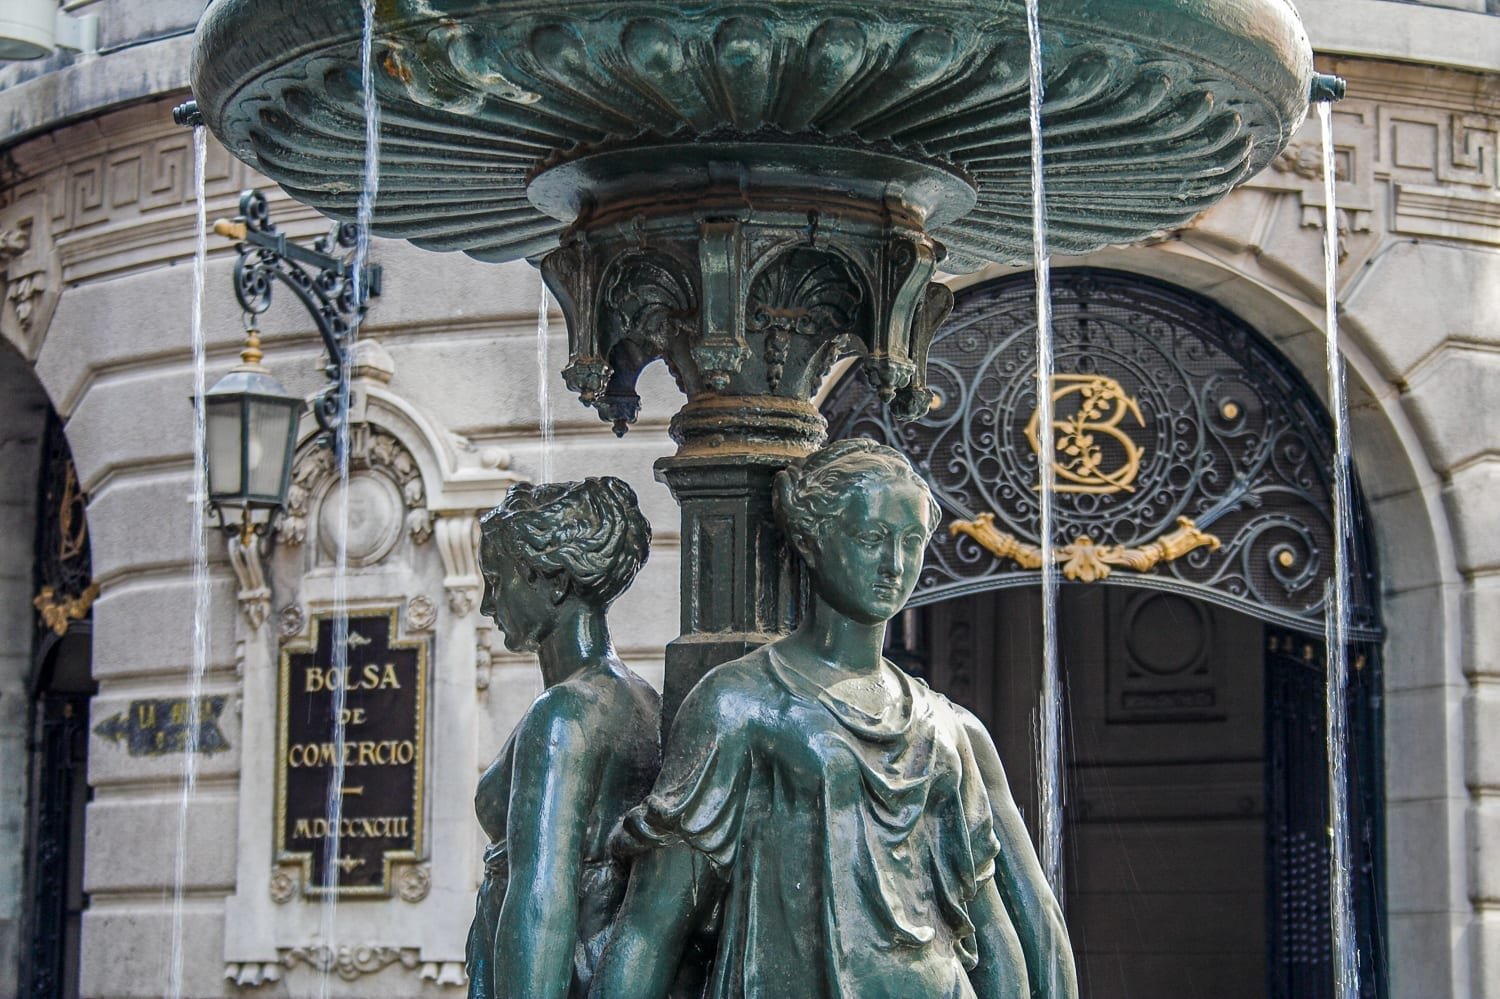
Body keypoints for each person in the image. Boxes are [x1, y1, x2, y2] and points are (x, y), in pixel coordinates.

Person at [592, 439, 1077, 999]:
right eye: (871, 539)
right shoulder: (741, 703)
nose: (895, 564)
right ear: (811, 540)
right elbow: (652, 928)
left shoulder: (949, 728)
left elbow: (993, 926)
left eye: (912, 541)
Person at [466, 477, 661, 999]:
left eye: (497, 579)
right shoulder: (639, 698)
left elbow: (543, 901)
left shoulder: (564, 714)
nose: (488, 603)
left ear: (550, 583)